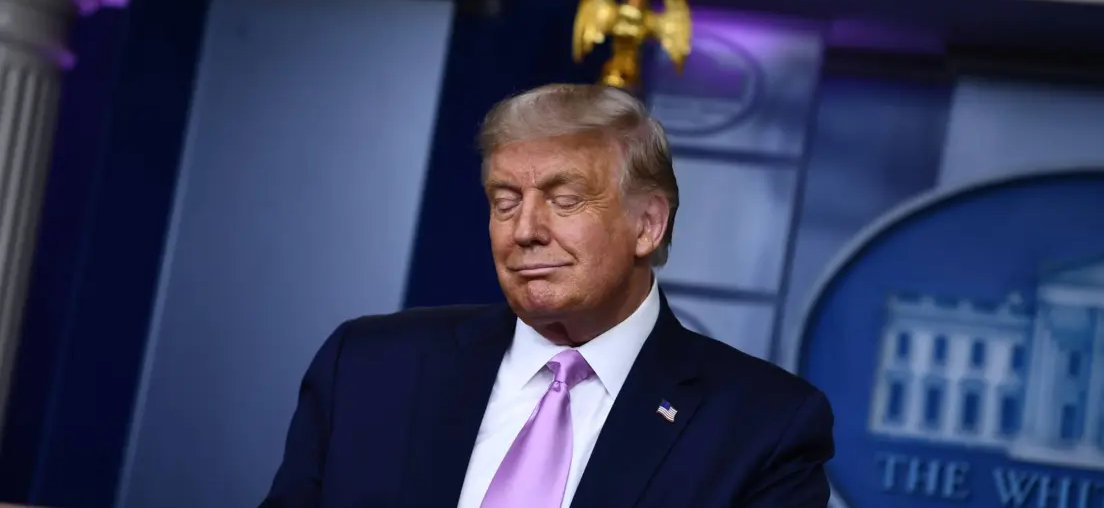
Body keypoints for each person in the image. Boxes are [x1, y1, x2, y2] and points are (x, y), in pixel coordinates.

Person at [261, 83, 834, 508]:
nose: (525, 230)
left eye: (565, 200)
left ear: (647, 225)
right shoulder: (369, 367)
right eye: (505, 201)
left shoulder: (762, 427)